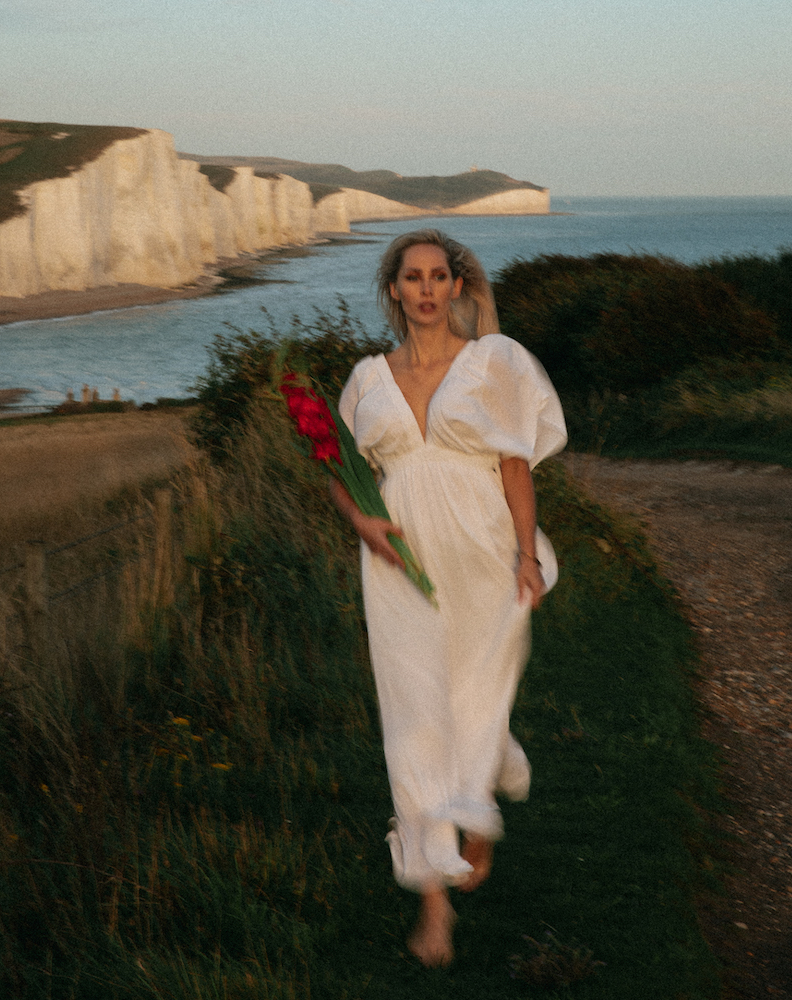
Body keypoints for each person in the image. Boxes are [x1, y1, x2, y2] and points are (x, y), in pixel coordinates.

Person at [332, 229, 566, 966]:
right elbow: (337, 465)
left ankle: (478, 798)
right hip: (399, 562)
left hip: (480, 552)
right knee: (412, 715)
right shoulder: (367, 379)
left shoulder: (493, 362)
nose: (427, 289)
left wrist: (526, 556)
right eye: (413, 278)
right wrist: (360, 521)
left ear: (457, 288)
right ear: (394, 291)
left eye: (440, 276)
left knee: (475, 691)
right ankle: (434, 901)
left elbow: (515, 465)